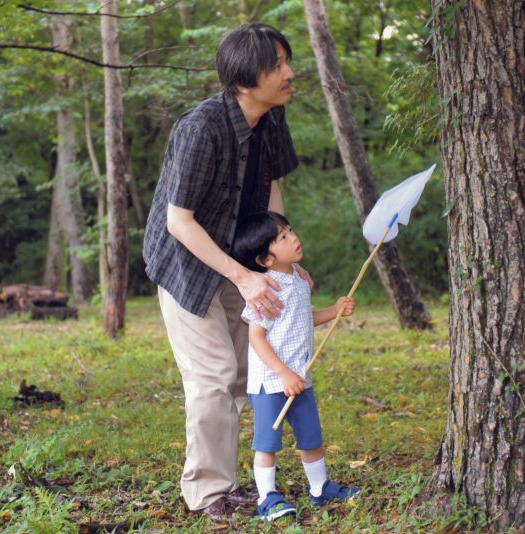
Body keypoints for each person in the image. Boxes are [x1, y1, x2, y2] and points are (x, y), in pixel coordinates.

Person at [142, 24, 310, 523]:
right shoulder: (201, 128)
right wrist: (243, 277)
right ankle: (206, 490)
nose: (289, 73)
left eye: (287, 61)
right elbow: (179, 222)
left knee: (243, 374)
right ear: (243, 77)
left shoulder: (272, 120)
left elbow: (272, 193)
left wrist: (285, 264)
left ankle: (230, 483)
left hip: (247, 263)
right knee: (212, 376)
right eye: (277, 65)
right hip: (185, 263)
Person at [232, 211, 360, 521]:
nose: (294, 237)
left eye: (290, 230)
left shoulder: (299, 278)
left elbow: (304, 318)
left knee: (310, 436)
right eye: (284, 237)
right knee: (267, 442)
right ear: (264, 259)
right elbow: (257, 337)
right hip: (270, 380)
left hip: (300, 376)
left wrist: (335, 310)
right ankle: (268, 496)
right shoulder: (264, 288)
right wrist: (282, 372)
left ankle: (320, 487)